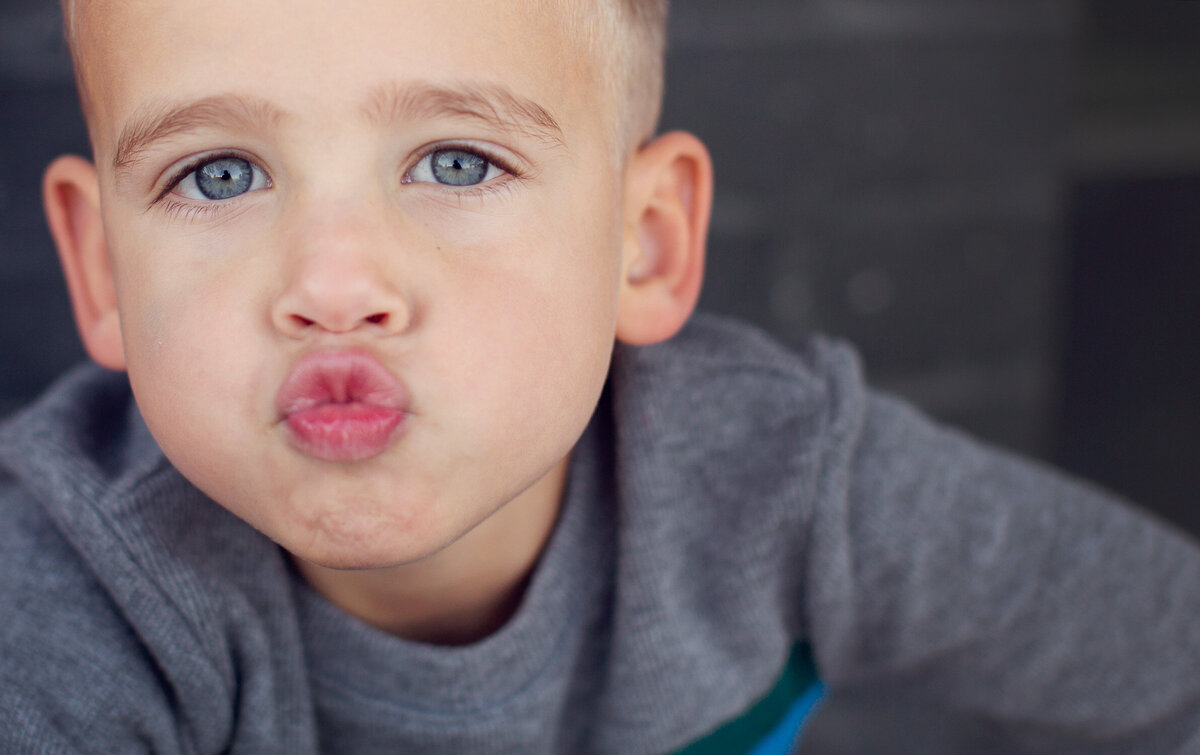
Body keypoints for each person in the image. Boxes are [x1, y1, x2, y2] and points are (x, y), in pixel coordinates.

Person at [1, 0, 1197, 752]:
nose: (332, 281)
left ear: (647, 241)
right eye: (218, 175)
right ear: (103, 267)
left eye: (456, 158)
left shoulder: (781, 479)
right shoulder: (70, 607)